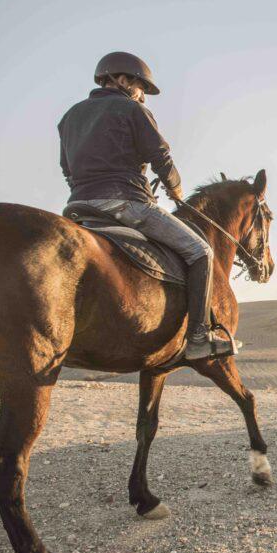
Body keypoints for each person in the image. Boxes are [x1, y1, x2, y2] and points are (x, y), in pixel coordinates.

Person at [58, 51, 233, 361]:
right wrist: (175, 189)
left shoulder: (70, 117)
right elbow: (161, 157)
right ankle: (198, 337)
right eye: (141, 87)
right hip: (127, 204)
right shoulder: (132, 109)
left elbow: (66, 168)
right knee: (201, 252)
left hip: (78, 207)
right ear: (122, 80)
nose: (142, 96)